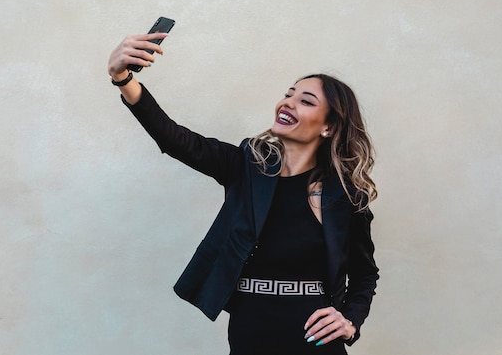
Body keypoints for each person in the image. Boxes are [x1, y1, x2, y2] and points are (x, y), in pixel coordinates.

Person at [107, 32, 379, 355]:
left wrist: (350, 321)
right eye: (289, 94)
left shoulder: (346, 195)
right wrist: (122, 78)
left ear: (328, 127)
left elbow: (364, 274)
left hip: (315, 341)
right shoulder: (247, 167)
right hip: (251, 332)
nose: (289, 102)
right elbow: (175, 139)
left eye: (306, 101)